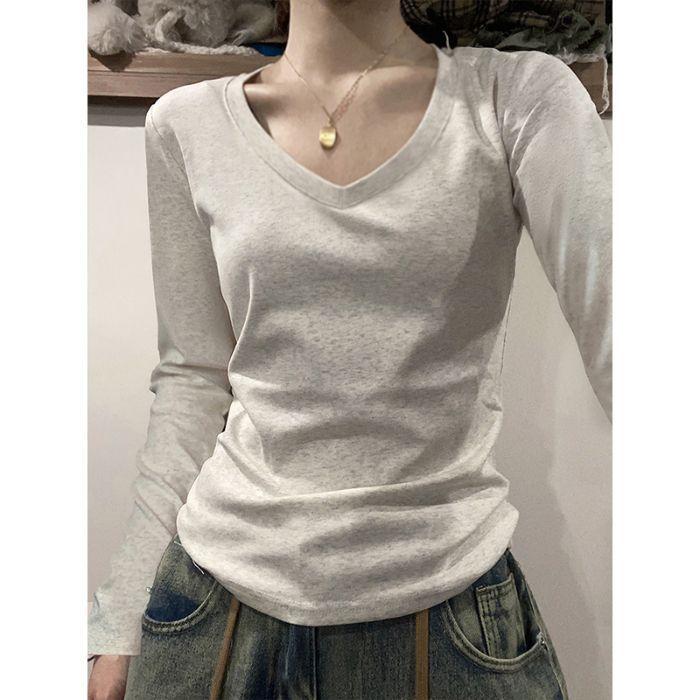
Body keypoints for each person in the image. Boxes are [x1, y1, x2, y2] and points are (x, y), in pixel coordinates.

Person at [87, 0, 612, 698]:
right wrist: (124, 609)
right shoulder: (185, 125)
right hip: (212, 616)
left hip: (445, 611)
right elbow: (194, 377)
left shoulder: (513, 98)